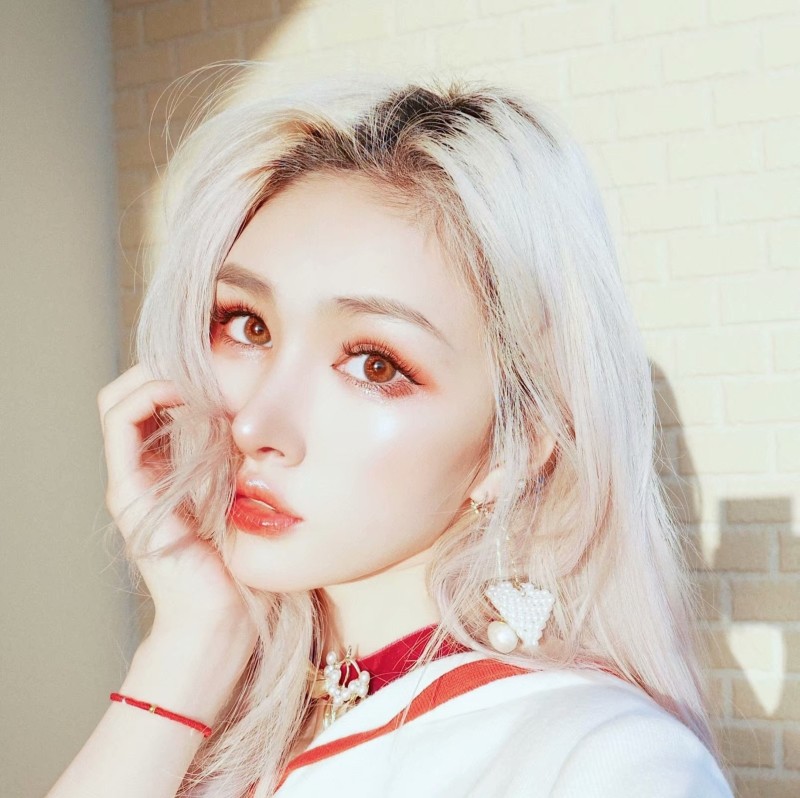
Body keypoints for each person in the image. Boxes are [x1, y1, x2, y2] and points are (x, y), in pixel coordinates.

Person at [46, 76, 734, 797]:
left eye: (375, 364)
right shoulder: (233, 726)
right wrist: (193, 637)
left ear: (517, 444)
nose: (253, 425)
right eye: (248, 326)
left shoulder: (604, 761)